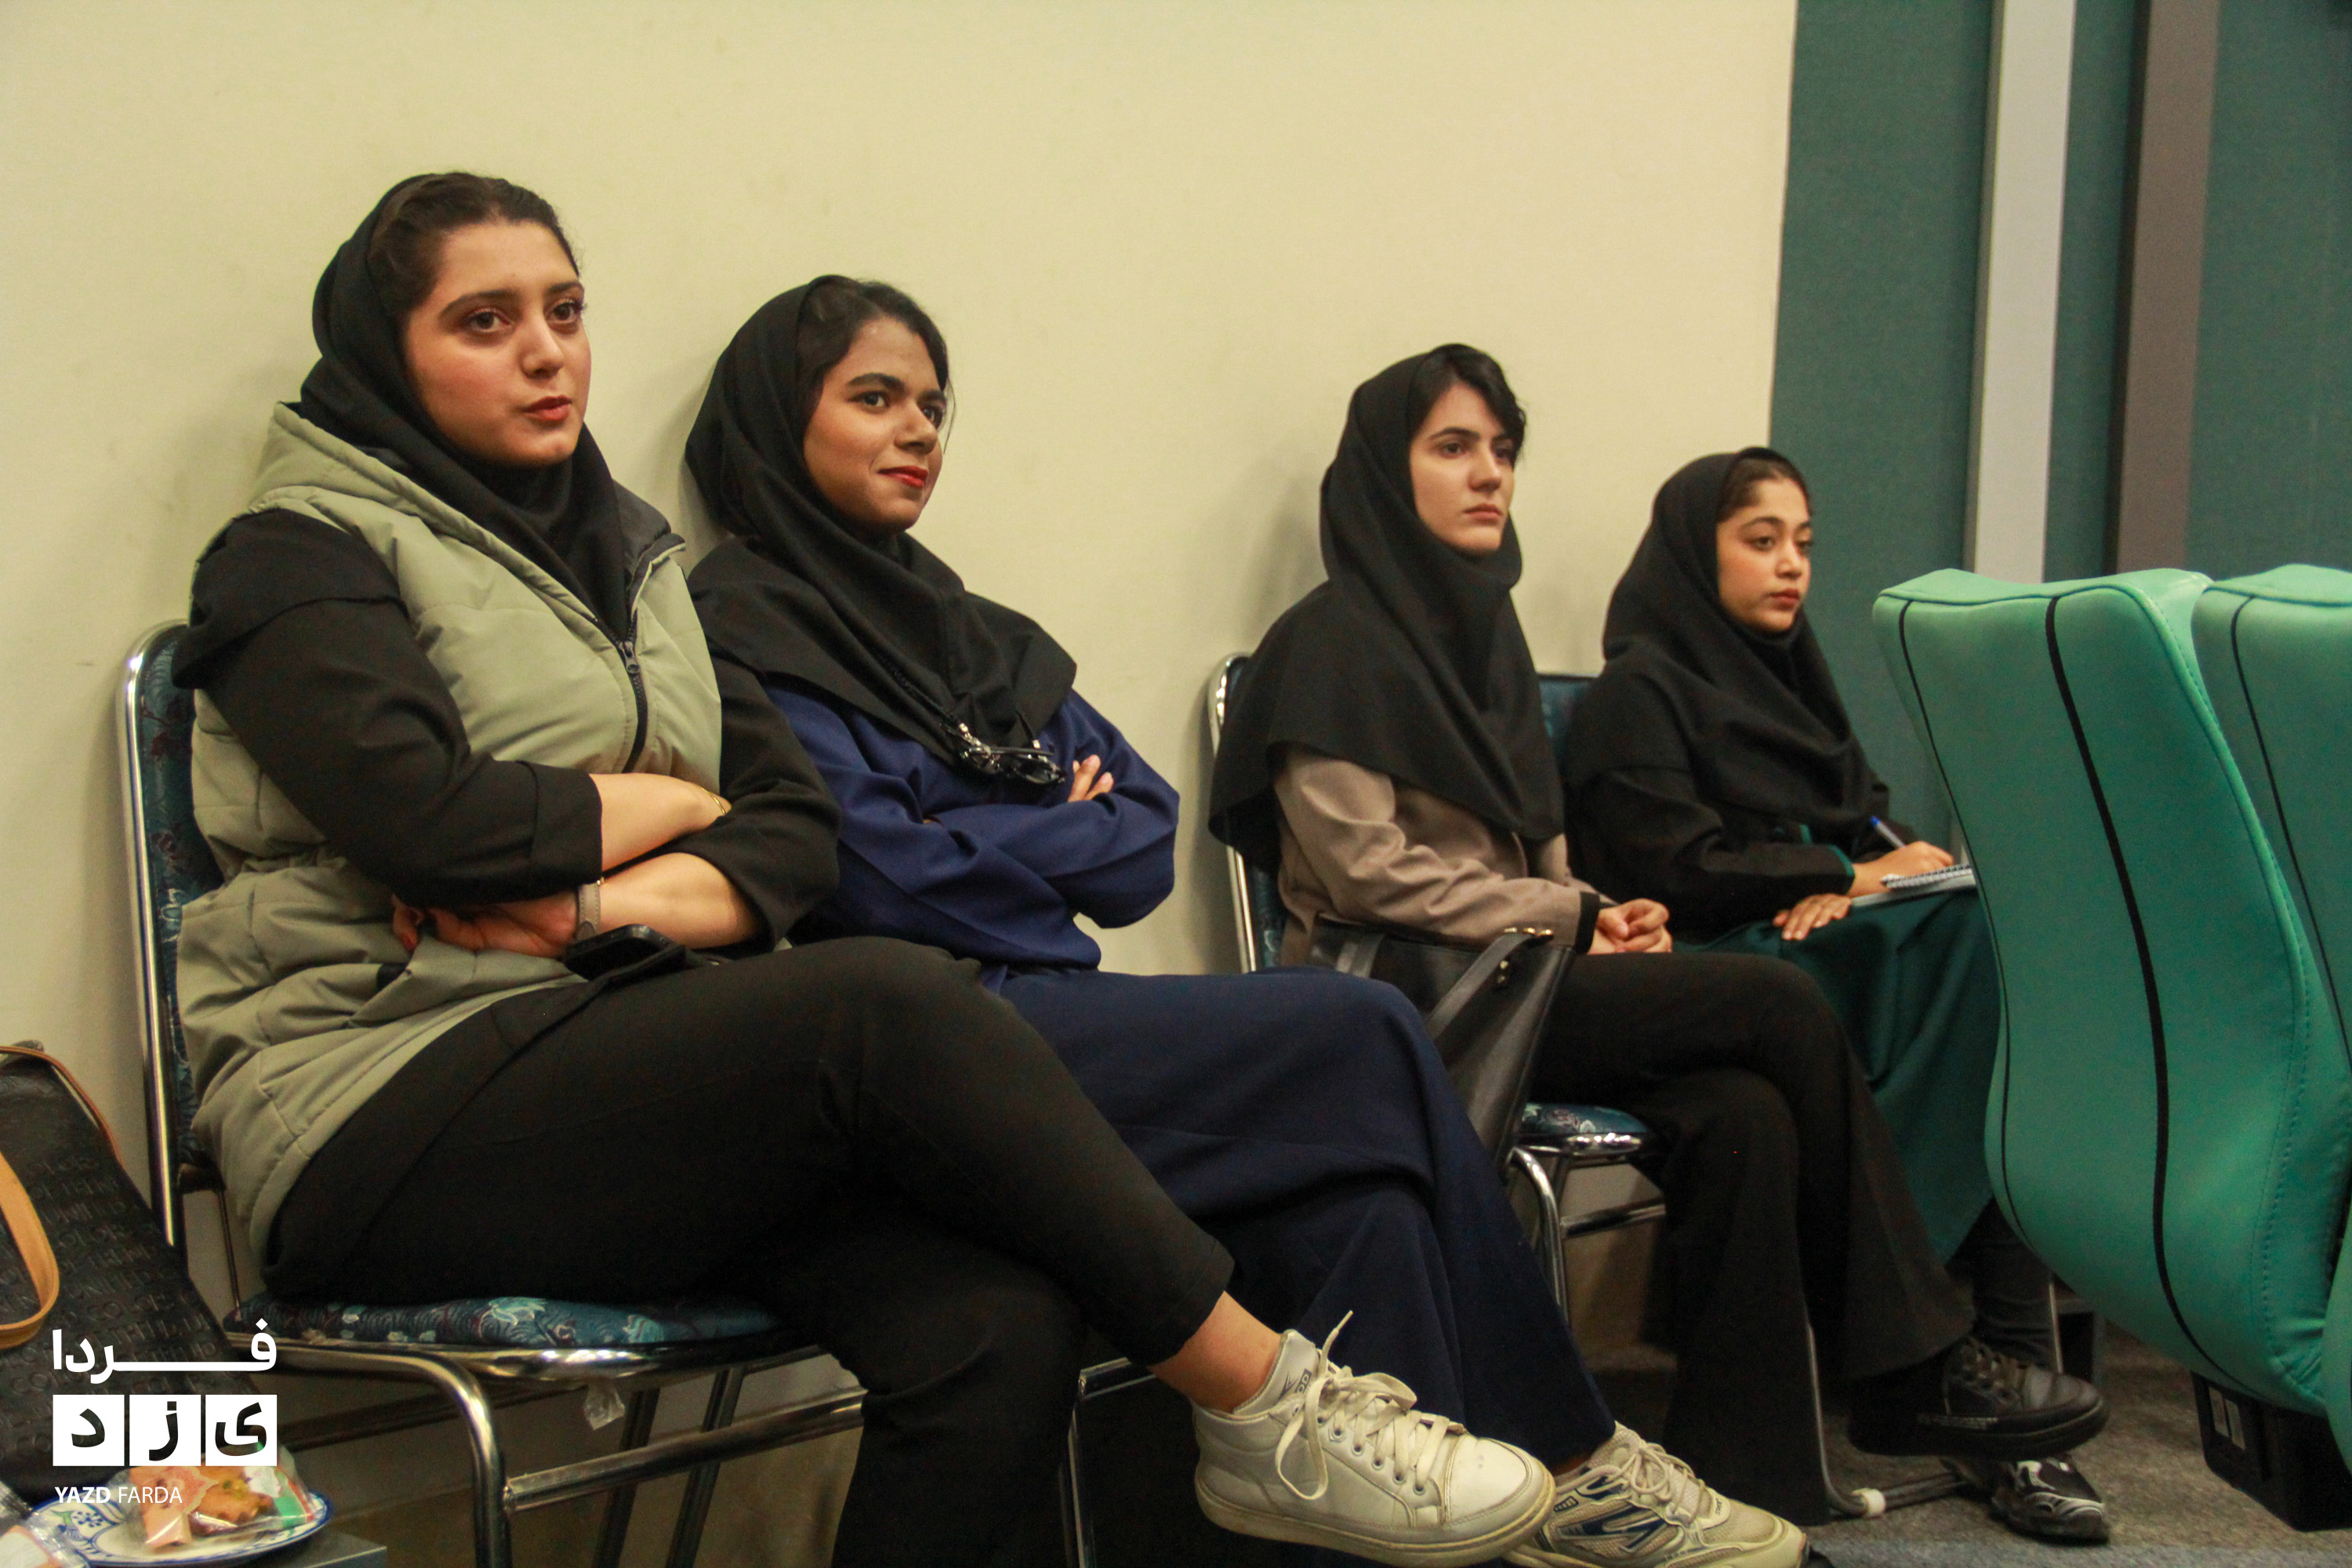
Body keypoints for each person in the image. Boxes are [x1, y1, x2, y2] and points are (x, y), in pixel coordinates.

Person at [169, 174, 1587, 1568]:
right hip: (381, 1099)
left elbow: (789, 832)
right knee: (886, 998)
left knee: (999, 1329)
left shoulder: (631, 565)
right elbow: (433, 825)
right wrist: (678, 804)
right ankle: (1267, 1406)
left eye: (566, 310)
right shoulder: (294, 554)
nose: (547, 352)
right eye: (485, 322)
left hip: (629, 1066)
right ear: (386, 352)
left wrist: (599, 889)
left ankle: (1509, 1465)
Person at [682, 277, 1804, 1568]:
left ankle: (1485, 1523)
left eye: (933, 404)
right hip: (921, 1046)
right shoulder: (742, 627)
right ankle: (1571, 1459)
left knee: (1365, 1207)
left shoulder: (973, 636)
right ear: (780, 418)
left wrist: (975, 826)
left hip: (1054, 1016)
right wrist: (1040, 815)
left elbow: (1139, 844)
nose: (919, 430)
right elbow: (877, 882)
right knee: (1361, 1027)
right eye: (875, 399)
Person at [1207, 347, 2108, 1532]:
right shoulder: (1326, 643)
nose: (1490, 474)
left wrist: (1600, 914)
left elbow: (1540, 859)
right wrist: (1567, 916)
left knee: (1745, 1110)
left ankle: (1755, 1474)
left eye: (1502, 450)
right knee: (1777, 1005)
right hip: (1407, 1000)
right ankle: (1911, 1365)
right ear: (1384, 468)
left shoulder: (1483, 641)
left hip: (1524, 976)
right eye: (1453, 448)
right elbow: (1362, 872)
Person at [1557, 447, 2110, 1541]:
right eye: (1760, 540)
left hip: (1824, 948)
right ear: (1693, 550)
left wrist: (1867, 876)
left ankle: (1979, 1387)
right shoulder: (1637, 693)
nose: (1791, 566)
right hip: (1719, 965)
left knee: (1997, 955)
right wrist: (1838, 877)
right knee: (1982, 985)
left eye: (1804, 544)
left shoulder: (1796, 685)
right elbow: (1676, 868)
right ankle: (1973, 1386)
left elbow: (1873, 831)